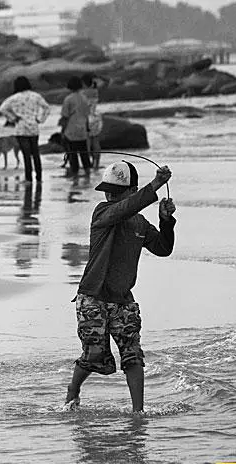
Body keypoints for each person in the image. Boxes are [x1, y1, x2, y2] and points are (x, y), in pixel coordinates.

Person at [63, 161, 176, 413]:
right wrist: (156, 184)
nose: (110, 195)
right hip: (92, 296)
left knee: (132, 355)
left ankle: (138, 412)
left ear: (132, 190)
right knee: (94, 355)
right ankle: (73, 389)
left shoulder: (140, 224)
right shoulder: (102, 212)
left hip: (123, 299)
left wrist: (166, 221)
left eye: (116, 191)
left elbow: (163, 248)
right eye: (108, 190)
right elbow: (123, 209)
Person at [0, 76, 50, 183]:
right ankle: (39, 178)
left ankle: (28, 178)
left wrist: (13, 118)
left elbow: (2, 108)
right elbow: (46, 108)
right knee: (35, 153)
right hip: (34, 128)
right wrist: (40, 119)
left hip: (21, 128)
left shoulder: (14, 97)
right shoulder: (36, 96)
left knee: (26, 154)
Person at [60, 76, 91, 178]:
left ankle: (75, 177)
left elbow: (65, 116)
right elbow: (87, 115)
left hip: (71, 130)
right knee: (84, 154)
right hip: (82, 130)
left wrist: (62, 130)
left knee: (73, 154)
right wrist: (87, 129)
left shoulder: (68, 99)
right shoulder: (85, 98)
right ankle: (88, 175)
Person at [81, 73, 102, 170]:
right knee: (96, 142)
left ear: (84, 83)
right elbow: (108, 82)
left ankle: (89, 164)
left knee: (87, 143)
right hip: (96, 117)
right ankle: (96, 164)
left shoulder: (83, 93)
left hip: (86, 118)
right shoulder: (95, 91)